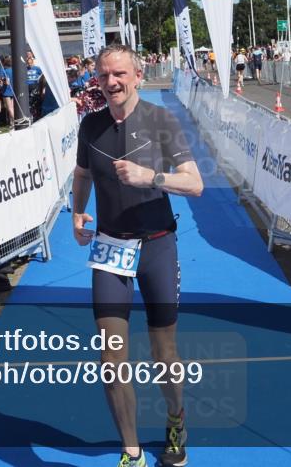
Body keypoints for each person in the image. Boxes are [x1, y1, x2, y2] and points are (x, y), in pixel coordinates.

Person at [72, 44, 203, 467]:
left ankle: (175, 418)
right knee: (111, 358)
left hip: (157, 246)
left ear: (137, 76)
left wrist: (153, 176)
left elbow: (195, 184)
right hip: (110, 248)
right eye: (105, 75)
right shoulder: (90, 127)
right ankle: (131, 452)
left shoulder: (161, 120)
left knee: (163, 353)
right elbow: (83, 173)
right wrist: (77, 212)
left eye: (120, 74)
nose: (112, 82)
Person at [0, 57, 15, 128]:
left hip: (6, 91)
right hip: (13, 91)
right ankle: (12, 123)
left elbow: (4, 81)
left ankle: (14, 121)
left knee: (9, 108)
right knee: (12, 108)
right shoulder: (14, 70)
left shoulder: (4, 70)